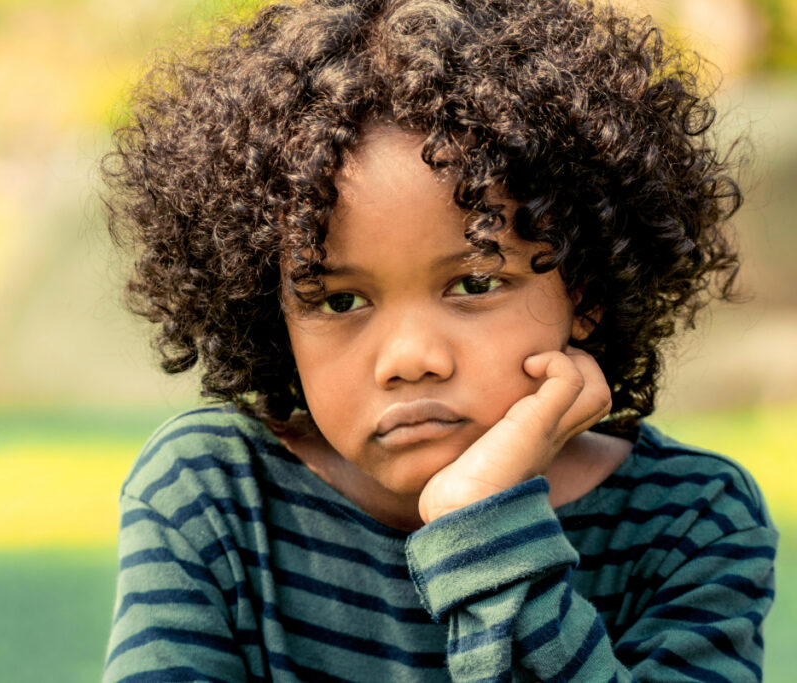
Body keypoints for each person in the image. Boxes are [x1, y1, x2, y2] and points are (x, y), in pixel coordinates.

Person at [100, 0, 778, 680]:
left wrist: (484, 527)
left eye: (474, 285)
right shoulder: (213, 495)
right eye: (340, 300)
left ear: (587, 290)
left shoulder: (691, 521)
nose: (410, 359)